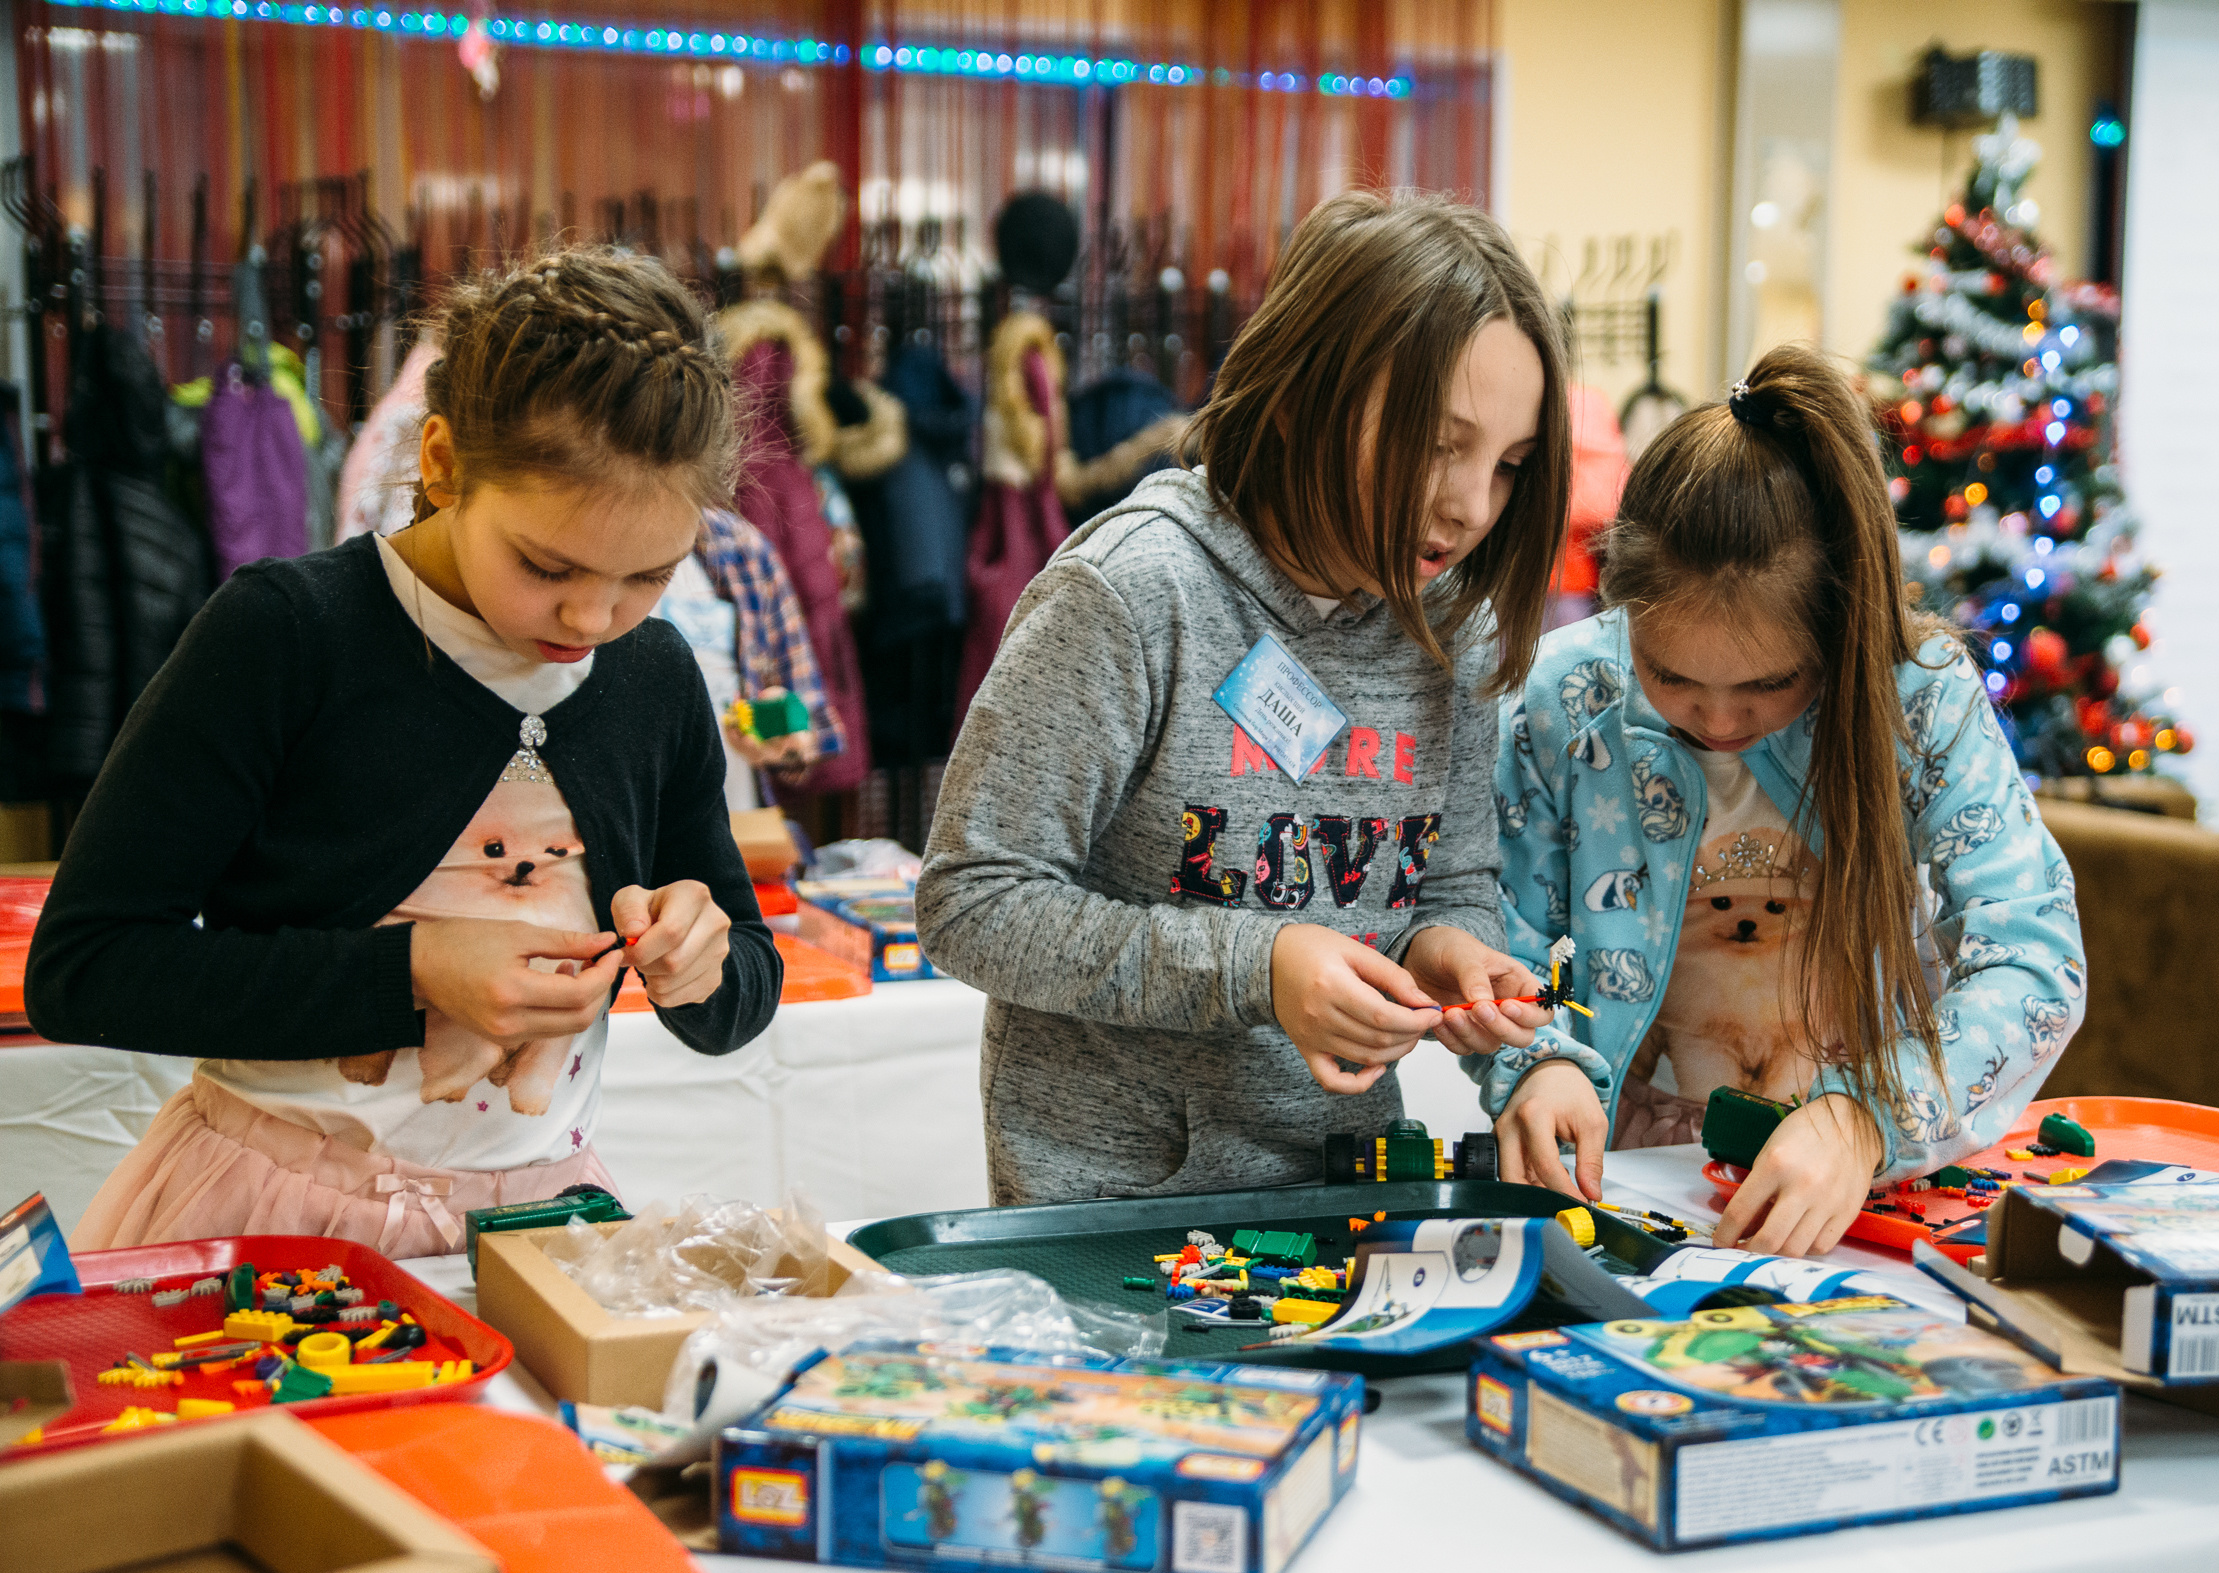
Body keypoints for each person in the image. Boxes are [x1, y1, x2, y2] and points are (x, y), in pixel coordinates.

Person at [29, 248, 783, 1256]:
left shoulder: (653, 676)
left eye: (649, 575)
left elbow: (742, 987)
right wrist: (413, 969)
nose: (593, 618)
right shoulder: (288, 636)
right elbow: (87, 968)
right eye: (546, 566)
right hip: (273, 1213)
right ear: (441, 463)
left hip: (535, 1225)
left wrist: (702, 964)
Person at [918, 193, 1572, 1205]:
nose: (1472, 505)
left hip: (1344, 1192)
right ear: (1305, 393)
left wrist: (1447, 950)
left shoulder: (1451, 628)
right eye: (1442, 445)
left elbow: (1447, 885)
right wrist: (1256, 968)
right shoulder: (1134, 591)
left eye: (1510, 467)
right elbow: (973, 900)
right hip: (1107, 1212)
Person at [1473, 344, 2084, 1253]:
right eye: (1672, 678)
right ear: (1621, 608)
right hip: (1635, 1165)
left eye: (1769, 684)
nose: (1720, 720)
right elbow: (1494, 930)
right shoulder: (1565, 697)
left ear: (1837, 629)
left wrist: (1868, 1116)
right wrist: (1533, 1060)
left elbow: (2034, 960)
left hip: (1872, 1177)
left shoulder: (1919, 699)